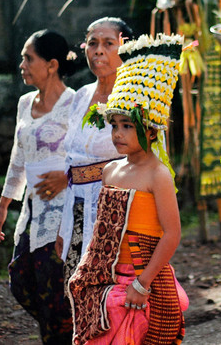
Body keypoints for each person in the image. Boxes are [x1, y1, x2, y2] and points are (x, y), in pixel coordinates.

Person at [68, 33, 188, 344]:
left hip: (143, 279)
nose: (118, 134)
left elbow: (172, 234)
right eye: (114, 125)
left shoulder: (158, 175)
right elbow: (102, 233)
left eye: (128, 126)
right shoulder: (111, 170)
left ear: (149, 130)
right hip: (110, 280)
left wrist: (143, 283)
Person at [0, 29, 76, 344]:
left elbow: (87, 155)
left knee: (51, 286)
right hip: (32, 208)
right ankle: (72, 330)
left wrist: (65, 176)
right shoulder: (25, 103)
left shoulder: (74, 103)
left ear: (52, 64)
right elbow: (18, 157)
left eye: (29, 58)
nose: (22, 64)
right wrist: (2, 207)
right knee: (20, 280)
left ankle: (64, 334)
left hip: (64, 210)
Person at [56, 17, 133, 285]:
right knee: (75, 290)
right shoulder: (80, 96)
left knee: (111, 297)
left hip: (119, 214)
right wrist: (65, 226)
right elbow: (71, 164)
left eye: (108, 43)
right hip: (78, 210)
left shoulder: (135, 98)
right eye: (92, 43)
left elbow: (152, 162)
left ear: (125, 48)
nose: (98, 50)